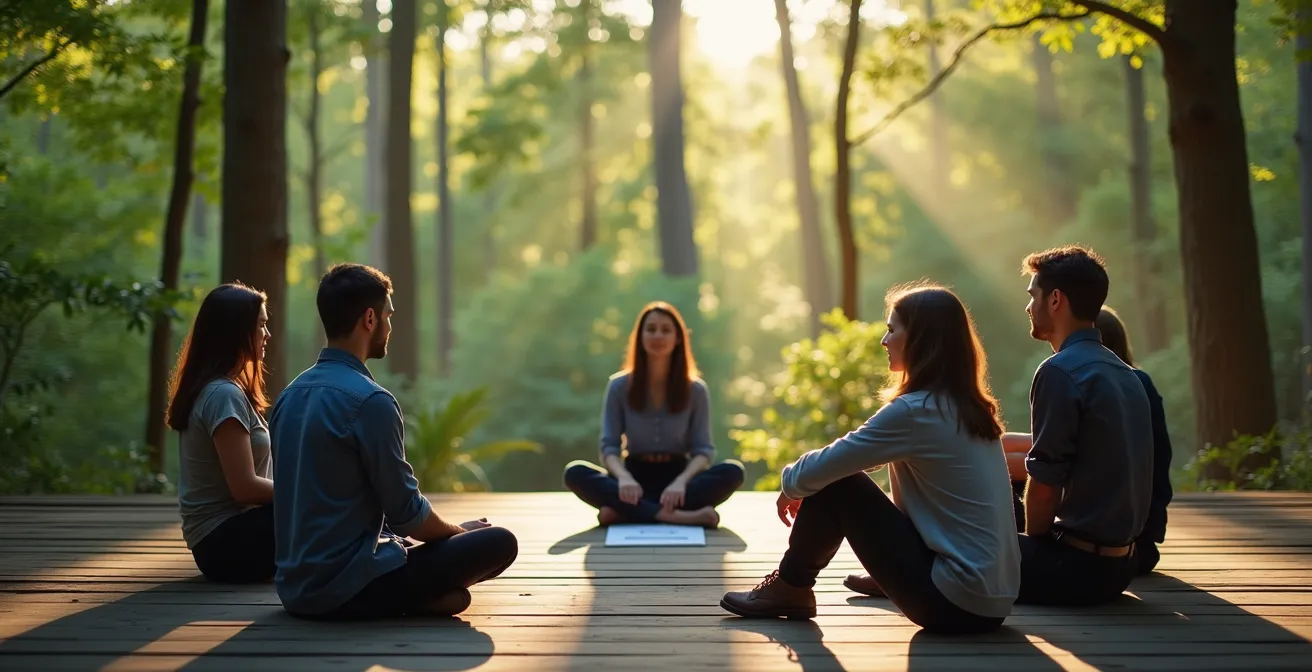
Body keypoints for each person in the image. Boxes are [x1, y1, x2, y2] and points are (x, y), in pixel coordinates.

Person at [719, 282, 1021, 634]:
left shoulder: (916, 411)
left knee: (840, 483)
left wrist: (792, 484)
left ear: (921, 339)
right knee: (834, 478)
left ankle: (791, 585)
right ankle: (811, 585)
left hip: (952, 603)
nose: (884, 340)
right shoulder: (966, 408)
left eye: (893, 330)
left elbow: (833, 462)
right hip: (994, 602)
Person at [270, 263, 518, 620]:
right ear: (370, 320)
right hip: (345, 588)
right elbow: (407, 517)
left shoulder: (289, 396)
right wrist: (459, 532)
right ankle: (403, 601)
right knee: (498, 541)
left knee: (452, 576)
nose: (389, 325)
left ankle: (421, 598)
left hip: (294, 588)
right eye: (388, 315)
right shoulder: (371, 401)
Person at [1011, 245, 1153, 606]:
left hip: (1074, 570)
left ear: (1055, 300)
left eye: (1033, 296)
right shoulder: (1127, 374)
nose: (1028, 307)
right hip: (1120, 568)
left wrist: (1029, 551)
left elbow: (1044, 486)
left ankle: (900, 579)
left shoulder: (1060, 371)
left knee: (958, 542)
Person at [1002, 306, 1173, 574]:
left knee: (1004, 473)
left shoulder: (1071, 373)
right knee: (1007, 456)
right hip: (1131, 542)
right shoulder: (1134, 381)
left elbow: (1067, 466)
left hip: (1121, 544)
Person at [563, 301, 744, 528]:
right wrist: (624, 479)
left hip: (678, 480)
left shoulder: (696, 390)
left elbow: (703, 451)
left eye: (666, 330)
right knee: (575, 472)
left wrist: (680, 482)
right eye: (651, 329)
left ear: (678, 338)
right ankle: (676, 516)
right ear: (639, 336)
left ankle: (625, 512)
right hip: (633, 477)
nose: (658, 335)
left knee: (733, 471)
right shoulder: (618, 386)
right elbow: (609, 447)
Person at [165, 283, 275, 583]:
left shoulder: (227, 389)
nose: (267, 334)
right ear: (237, 331)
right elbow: (245, 488)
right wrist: (307, 493)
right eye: (261, 325)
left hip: (232, 536)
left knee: (332, 512)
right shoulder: (222, 395)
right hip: (225, 542)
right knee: (332, 512)